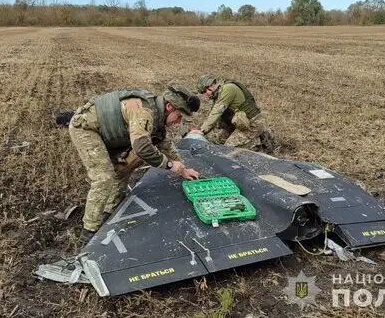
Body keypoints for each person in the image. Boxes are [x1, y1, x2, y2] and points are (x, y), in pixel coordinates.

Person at [69, 84, 201, 242]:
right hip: (87, 128)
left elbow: (163, 143)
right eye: (179, 116)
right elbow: (142, 147)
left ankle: (109, 211)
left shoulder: (157, 116)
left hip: (109, 134)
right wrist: (170, 166)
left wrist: (182, 168)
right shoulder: (143, 111)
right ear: (169, 106)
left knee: (124, 168)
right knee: (104, 177)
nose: (178, 122)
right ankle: (89, 229)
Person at [191, 74, 277, 153]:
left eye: (205, 91)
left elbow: (216, 112)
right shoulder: (219, 93)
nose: (206, 95)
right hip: (239, 123)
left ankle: (257, 147)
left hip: (252, 123)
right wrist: (200, 130)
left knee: (228, 148)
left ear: (211, 86)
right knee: (218, 141)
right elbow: (214, 116)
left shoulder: (228, 89)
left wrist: (202, 131)